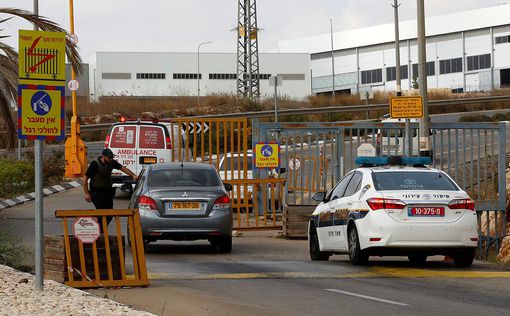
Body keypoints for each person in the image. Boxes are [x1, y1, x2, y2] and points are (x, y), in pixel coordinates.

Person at [83, 148, 138, 232]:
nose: (110, 159)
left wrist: (133, 175)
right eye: (109, 158)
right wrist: (87, 193)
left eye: (111, 157)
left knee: (110, 214)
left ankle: (99, 231)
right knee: (101, 213)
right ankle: (98, 232)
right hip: (96, 192)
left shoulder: (111, 162)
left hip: (107, 192)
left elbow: (123, 168)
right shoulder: (95, 164)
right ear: (103, 157)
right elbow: (85, 179)